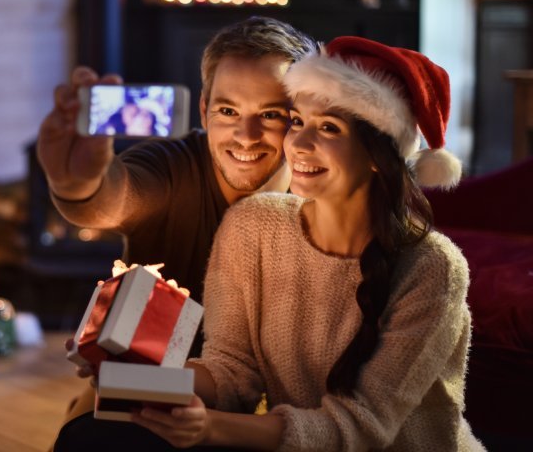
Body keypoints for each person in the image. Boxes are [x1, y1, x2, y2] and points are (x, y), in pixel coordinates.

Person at [58, 36, 482, 450]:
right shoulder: (253, 224)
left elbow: (364, 427)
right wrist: (133, 377)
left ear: (378, 154)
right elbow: (231, 371)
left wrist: (210, 429)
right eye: (297, 121)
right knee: (90, 437)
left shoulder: (433, 268)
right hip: (287, 441)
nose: (297, 142)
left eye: (328, 127)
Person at [38, 16, 317, 448]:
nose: (247, 136)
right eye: (228, 111)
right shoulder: (174, 168)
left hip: (276, 421)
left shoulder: (321, 195)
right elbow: (117, 197)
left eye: (271, 114)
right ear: (204, 108)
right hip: (151, 408)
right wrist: (74, 182)